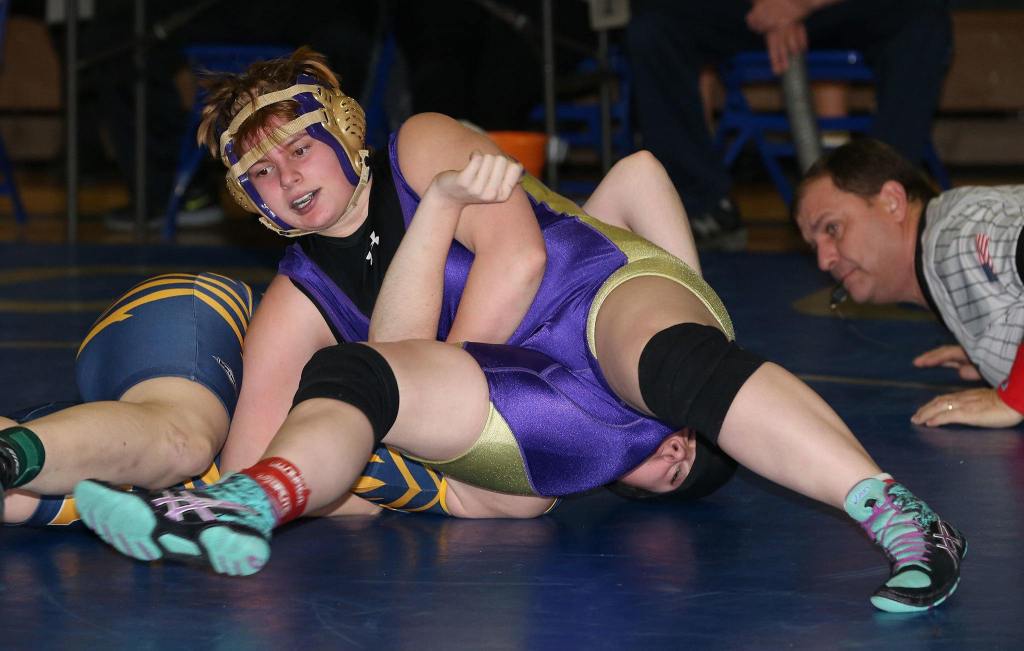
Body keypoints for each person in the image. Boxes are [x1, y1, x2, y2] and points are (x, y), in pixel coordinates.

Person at [72, 49, 964, 614]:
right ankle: (251, 512)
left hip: (595, 308)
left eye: (297, 147)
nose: (287, 177)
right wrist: (283, 482)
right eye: (260, 173)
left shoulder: (421, 139)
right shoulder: (294, 300)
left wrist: (408, 415)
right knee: (350, 380)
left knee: (659, 357)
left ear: (345, 135)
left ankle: (903, 518)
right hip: (538, 423)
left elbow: (521, 264)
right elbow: (276, 436)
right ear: (249, 203)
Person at [626, 0, 952, 249]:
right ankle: (703, 206)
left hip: (831, 7)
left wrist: (797, 5)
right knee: (655, 23)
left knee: (923, 17)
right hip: (751, 10)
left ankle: (882, 199)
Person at [794, 137, 1024, 430]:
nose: (824, 261)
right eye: (814, 247)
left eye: (832, 228)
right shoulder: (946, 252)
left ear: (892, 202)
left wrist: (1015, 394)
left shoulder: (959, 234)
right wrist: (1001, 349)